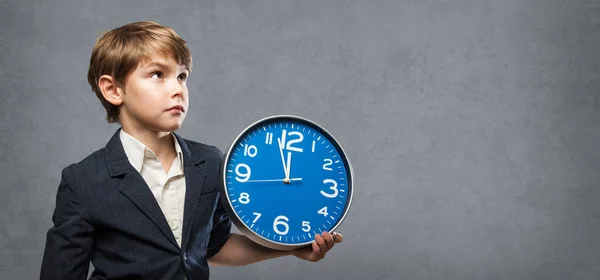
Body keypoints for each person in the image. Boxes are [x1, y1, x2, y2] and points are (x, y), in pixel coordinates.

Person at [40, 21, 343, 280]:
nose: (178, 89)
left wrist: (290, 249)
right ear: (113, 90)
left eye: (182, 76)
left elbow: (212, 247)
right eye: (158, 74)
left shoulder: (210, 162)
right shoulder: (83, 181)